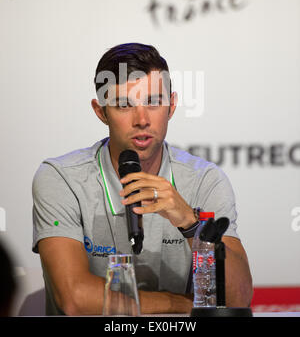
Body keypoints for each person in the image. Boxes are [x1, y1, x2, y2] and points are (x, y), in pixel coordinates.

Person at [32, 42, 253, 316]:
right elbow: (75, 298)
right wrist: (183, 304)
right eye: (124, 105)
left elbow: (238, 298)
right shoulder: (61, 178)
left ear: (171, 105)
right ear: (101, 111)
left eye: (153, 101)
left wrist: (190, 223)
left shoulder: (204, 180)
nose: (142, 119)